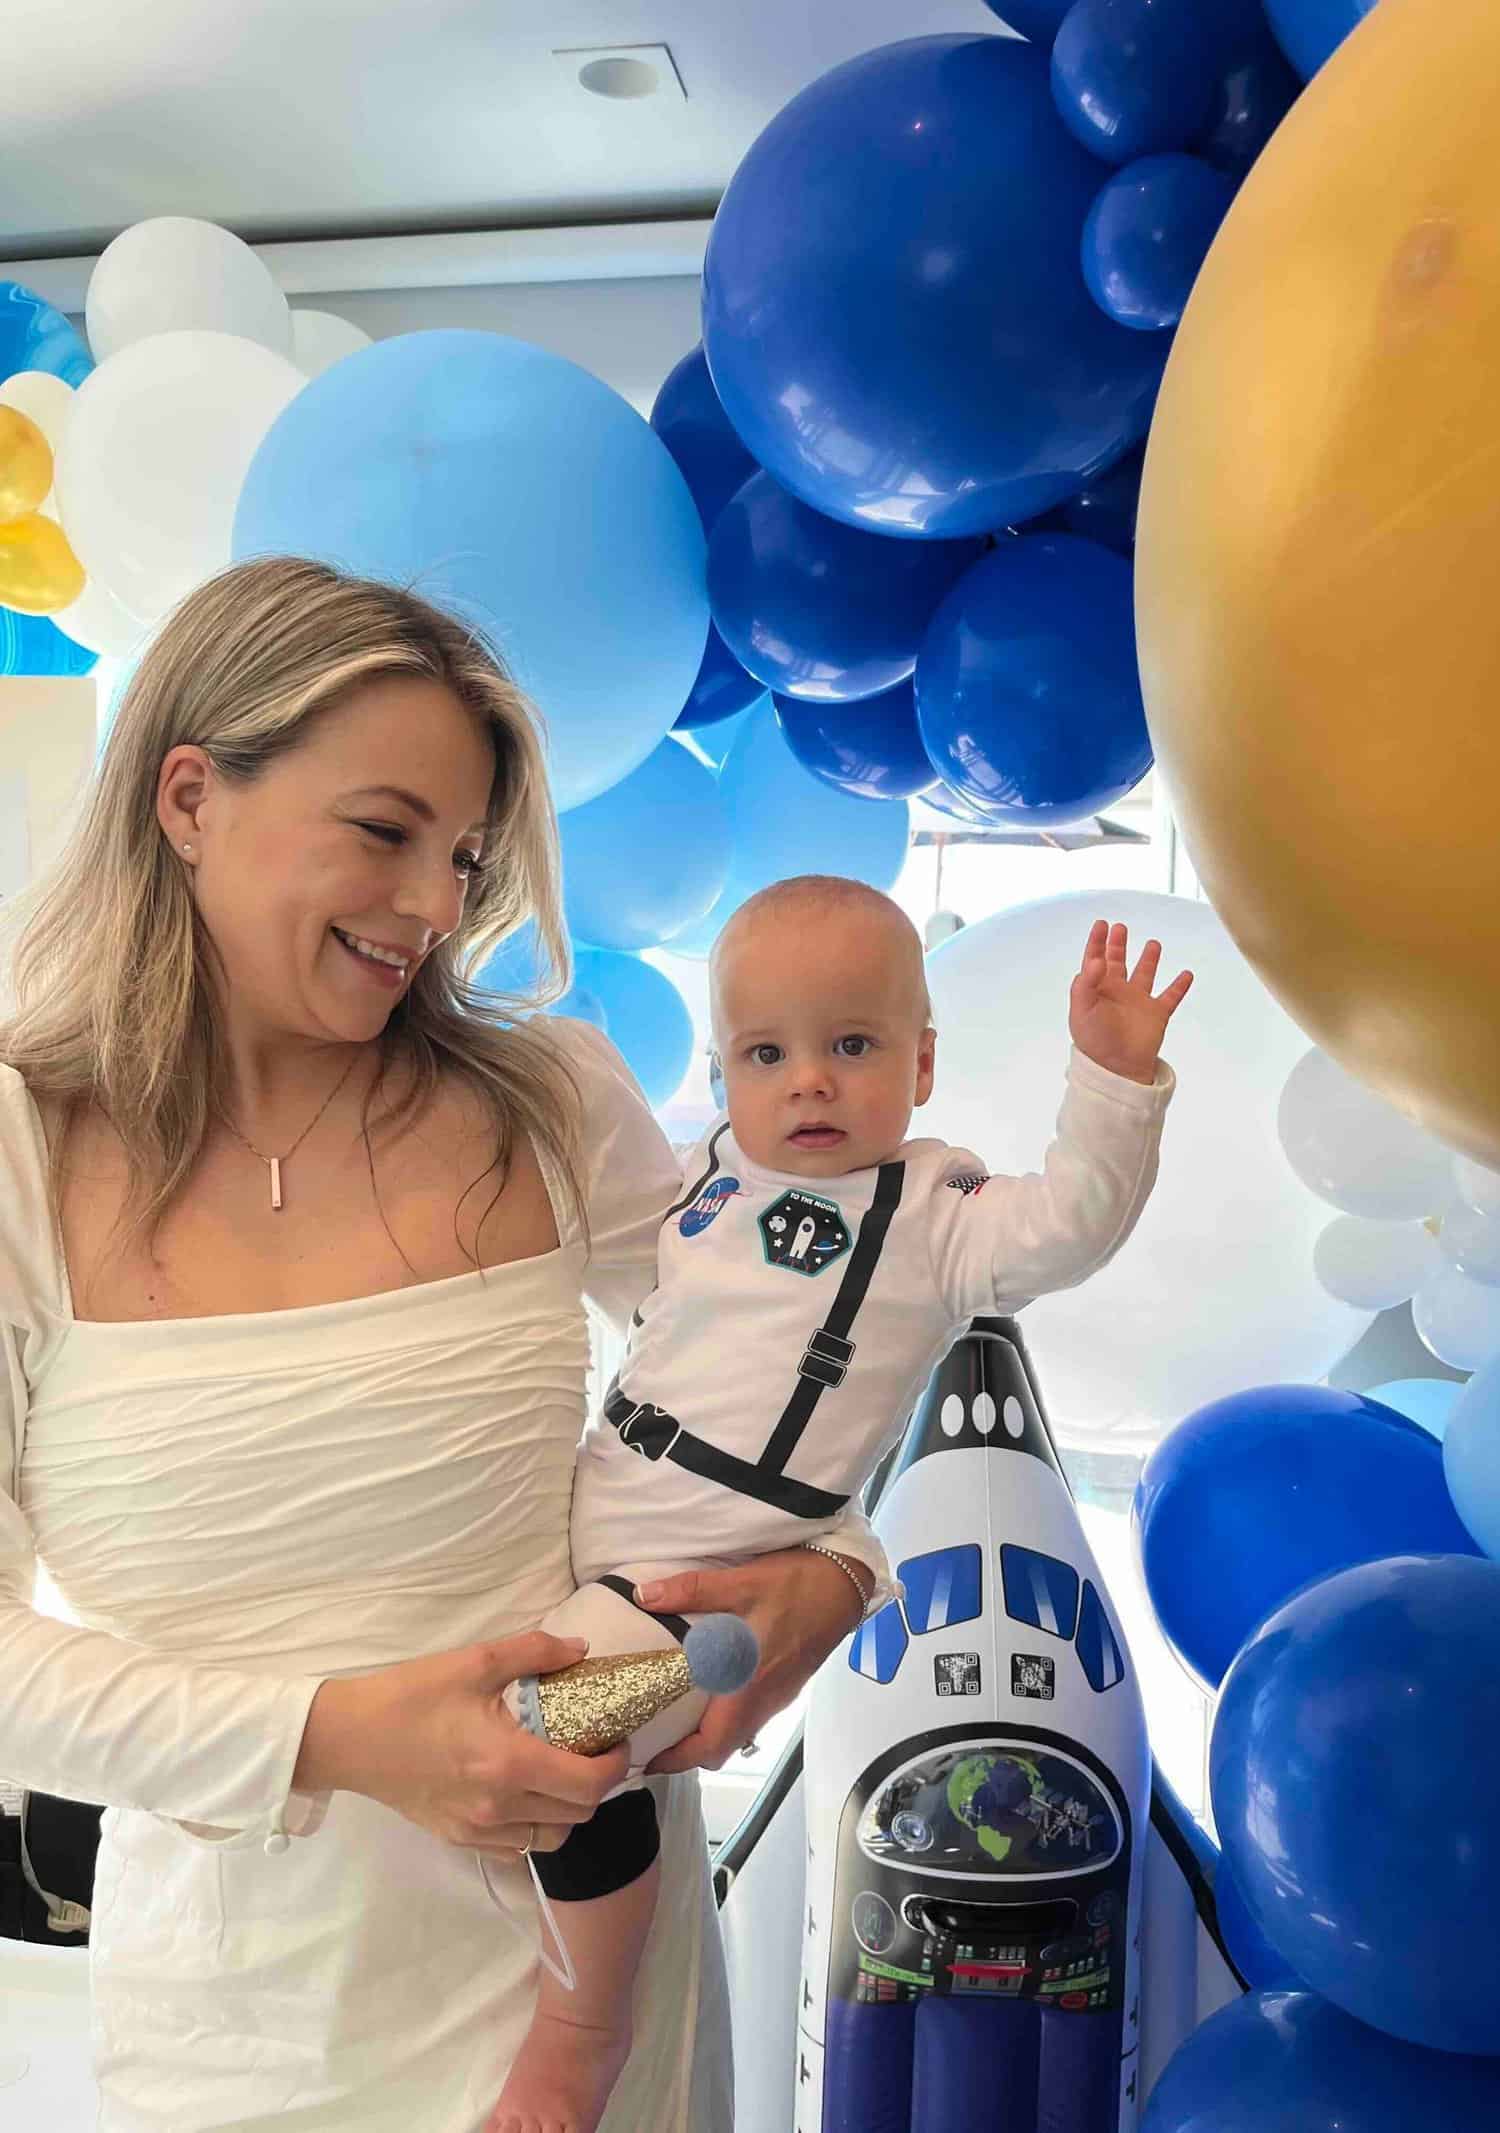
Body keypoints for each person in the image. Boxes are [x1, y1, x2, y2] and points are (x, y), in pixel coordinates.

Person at [0, 557, 890, 2133]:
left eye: (468, 855)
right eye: (384, 830)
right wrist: (343, 1738)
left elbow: (791, 1353)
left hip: (593, 1959)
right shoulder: (15, 1150)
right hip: (244, 2029)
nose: (435, 906)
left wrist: (833, 1570)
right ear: (190, 796)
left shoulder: (544, 1096)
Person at [491, 874, 1192, 2133]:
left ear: (921, 1065)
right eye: (768, 1053)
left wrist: (1111, 1085)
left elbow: (1069, 1226)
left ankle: (579, 2028)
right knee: (499, 1714)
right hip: (591, 1511)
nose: (807, 1081)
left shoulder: (935, 1215)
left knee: (553, 1742)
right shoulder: (710, 1174)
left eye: (851, 1046)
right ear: (722, 1074)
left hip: (701, 1569)